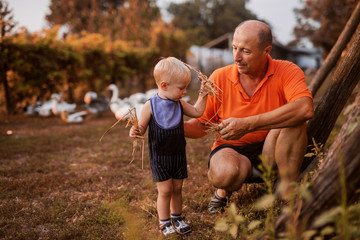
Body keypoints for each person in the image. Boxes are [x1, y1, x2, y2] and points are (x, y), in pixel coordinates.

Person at [184, 20, 314, 214]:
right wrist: (173, 125)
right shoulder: (219, 77)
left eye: (245, 51)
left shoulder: (288, 70)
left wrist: (249, 124)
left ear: (266, 51)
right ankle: (223, 191)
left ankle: (288, 191)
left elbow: (305, 109)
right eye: (234, 48)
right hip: (233, 150)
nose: (236, 57)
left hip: (273, 146)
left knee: (294, 121)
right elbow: (202, 124)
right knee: (224, 173)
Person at [129, 57, 208, 237]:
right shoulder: (150, 105)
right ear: (164, 85)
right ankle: (164, 222)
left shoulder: (179, 103)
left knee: (178, 188)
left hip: (178, 154)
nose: (184, 91)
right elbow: (141, 127)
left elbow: (197, 112)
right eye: (181, 88)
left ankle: (177, 217)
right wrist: (135, 130)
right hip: (160, 156)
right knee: (165, 190)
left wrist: (203, 94)